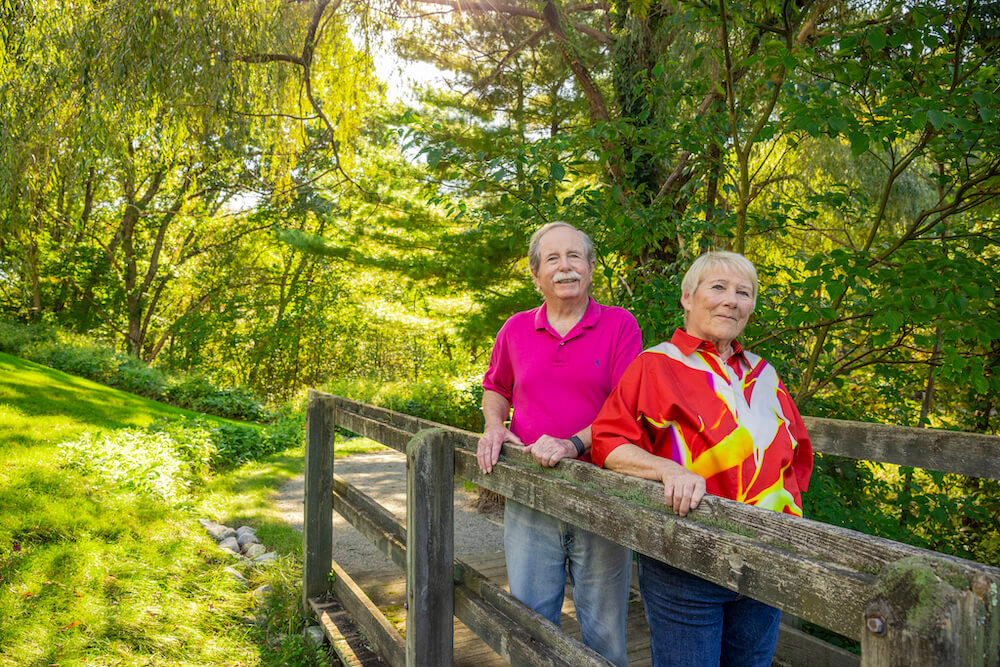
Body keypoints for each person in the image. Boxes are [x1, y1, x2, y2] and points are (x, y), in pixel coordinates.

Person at [590, 250, 813, 667]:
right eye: (718, 288)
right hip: (687, 556)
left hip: (766, 560)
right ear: (687, 298)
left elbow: (797, 459)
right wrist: (667, 469)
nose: (732, 300)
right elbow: (607, 442)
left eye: (743, 292)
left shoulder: (765, 375)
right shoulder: (656, 365)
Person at [476, 221, 642, 667]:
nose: (565, 267)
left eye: (575, 257)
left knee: (604, 632)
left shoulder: (621, 325)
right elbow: (496, 387)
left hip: (601, 494)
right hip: (532, 493)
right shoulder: (514, 330)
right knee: (531, 625)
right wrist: (495, 425)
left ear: (590, 268)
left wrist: (574, 443)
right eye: (552, 259)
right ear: (536, 275)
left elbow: (625, 406)